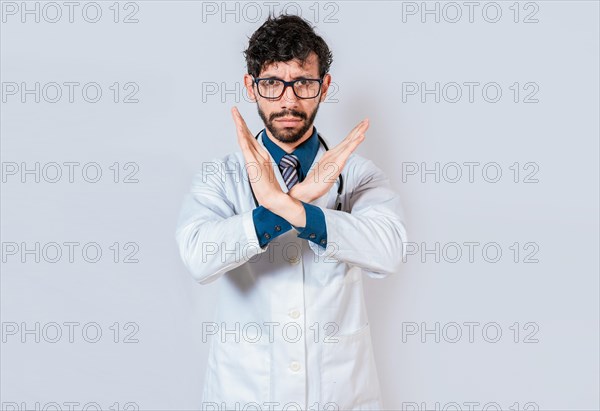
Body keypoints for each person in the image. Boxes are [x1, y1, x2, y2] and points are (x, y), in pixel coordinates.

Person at [175, 13, 408, 411]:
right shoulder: (220, 176)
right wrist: (289, 207)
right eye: (272, 84)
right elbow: (198, 257)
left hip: (337, 395)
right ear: (251, 87)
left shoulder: (358, 175)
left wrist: (289, 206)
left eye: (303, 83)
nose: (288, 100)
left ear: (324, 87)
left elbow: (389, 251)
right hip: (246, 393)